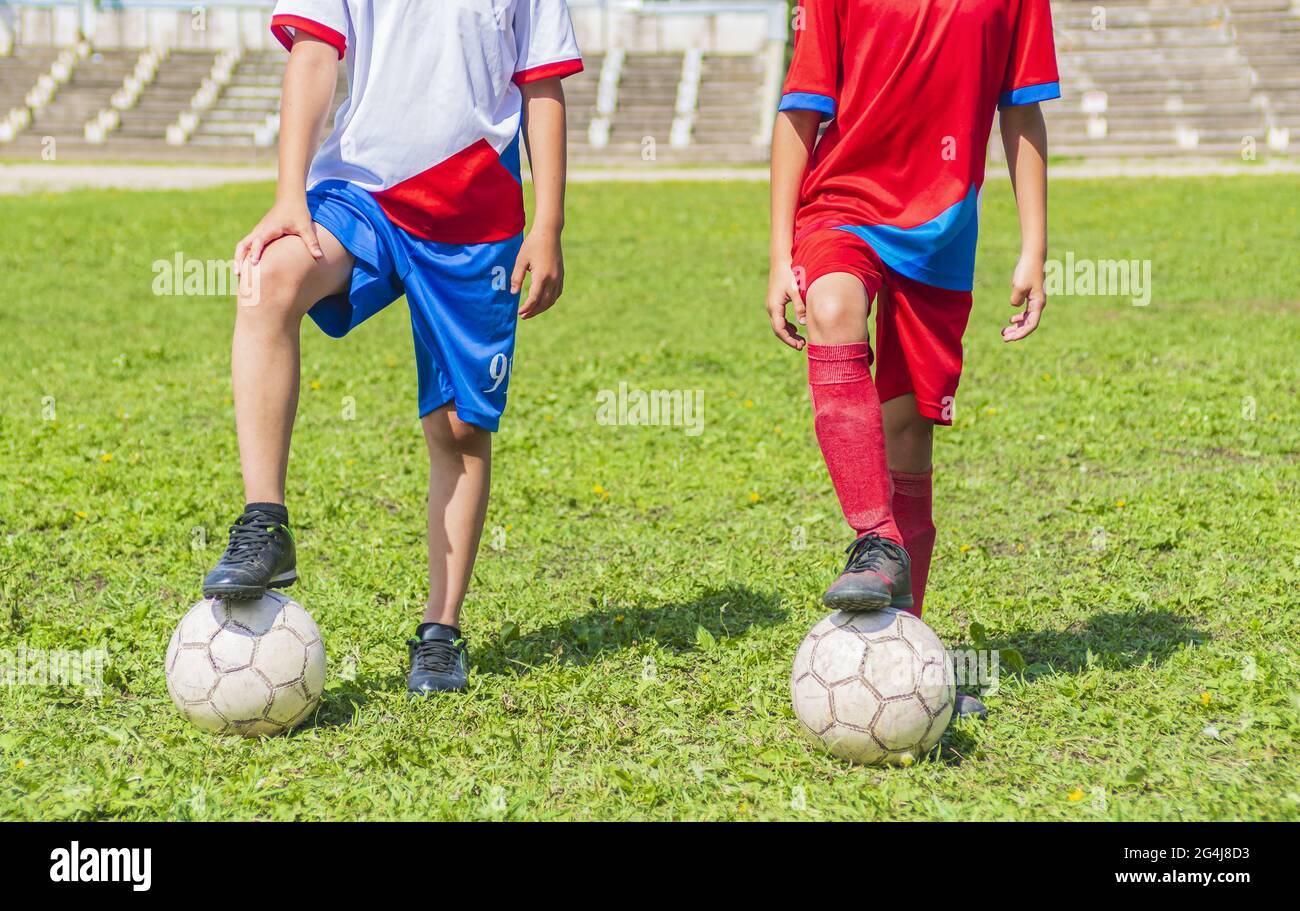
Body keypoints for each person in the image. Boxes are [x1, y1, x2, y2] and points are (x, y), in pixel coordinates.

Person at [201, 0, 583, 695]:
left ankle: (440, 632)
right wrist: (291, 192)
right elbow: (314, 52)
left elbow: (542, 85)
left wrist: (549, 221)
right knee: (268, 279)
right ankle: (265, 521)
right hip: (364, 192)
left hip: (477, 217)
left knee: (459, 427)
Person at [766, 0, 1059, 713]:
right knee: (834, 309)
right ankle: (875, 538)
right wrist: (779, 254)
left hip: (941, 233)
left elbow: (1020, 111)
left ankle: (911, 661)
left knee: (910, 436)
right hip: (841, 206)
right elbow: (799, 109)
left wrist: (1034, 245)